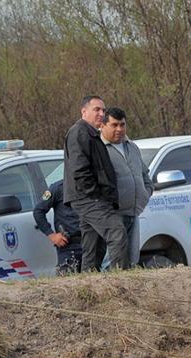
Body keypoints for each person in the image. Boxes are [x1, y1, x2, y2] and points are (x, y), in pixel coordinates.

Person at [63, 95, 125, 271]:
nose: (101, 113)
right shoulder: (79, 132)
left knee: (94, 246)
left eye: (103, 110)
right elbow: (79, 169)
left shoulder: (91, 134)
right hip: (87, 198)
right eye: (96, 109)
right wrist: (95, 194)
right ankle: (121, 279)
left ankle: (89, 283)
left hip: (90, 198)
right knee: (116, 231)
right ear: (84, 111)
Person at [100, 107, 153, 269]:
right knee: (112, 261)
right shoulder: (99, 149)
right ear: (103, 126)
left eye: (122, 125)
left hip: (133, 212)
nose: (119, 129)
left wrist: (145, 193)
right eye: (114, 125)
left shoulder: (132, 147)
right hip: (112, 215)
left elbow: (144, 176)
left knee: (131, 259)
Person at [33, 179, 82, 275]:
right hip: (68, 245)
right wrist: (52, 235)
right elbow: (38, 211)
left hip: (90, 244)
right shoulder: (58, 188)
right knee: (67, 284)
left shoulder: (90, 185)